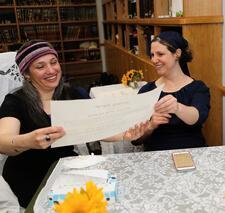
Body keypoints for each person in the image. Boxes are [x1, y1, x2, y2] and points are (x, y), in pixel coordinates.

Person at [0, 40, 143, 208]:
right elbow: (3, 141)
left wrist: (125, 135)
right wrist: (28, 141)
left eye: (54, 62)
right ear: (26, 74)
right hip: (29, 180)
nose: (51, 70)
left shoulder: (72, 93)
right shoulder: (15, 101)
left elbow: (95, 127)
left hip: (65, 173)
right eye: (40, 66)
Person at [132, 31, 210, 151]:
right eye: (152, 55)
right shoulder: (147, 90)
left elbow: (197, 117)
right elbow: (136, 140)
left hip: (192, 154)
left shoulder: (198, 88)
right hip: (156, 156)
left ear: (177, 54)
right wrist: (150, 126)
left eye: (160, 54)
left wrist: (177, 108)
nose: (154, 60)